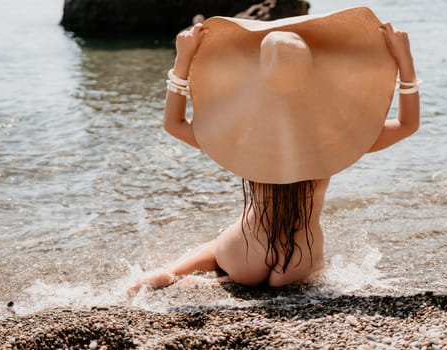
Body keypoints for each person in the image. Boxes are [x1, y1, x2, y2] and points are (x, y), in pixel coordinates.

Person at [128, 8, 419, 294]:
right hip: (298, 264)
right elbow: (408, 125)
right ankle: (224, 282)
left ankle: (176, 274)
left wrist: (183, 60)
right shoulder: (334, 137)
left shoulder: (241, 136)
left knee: (215, 248)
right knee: (315, 266)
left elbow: (174, 123)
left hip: (243, 253)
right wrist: (404, 60)